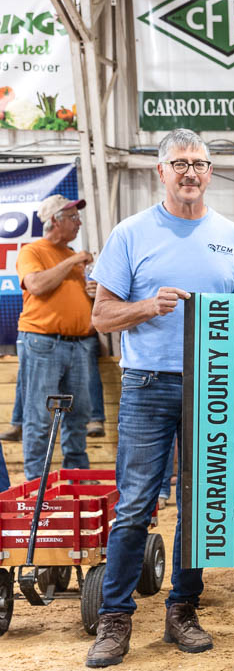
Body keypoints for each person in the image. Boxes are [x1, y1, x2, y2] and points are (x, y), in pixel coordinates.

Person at [85, 128, 234, 668]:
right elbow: (101, 316)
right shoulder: (130, 234)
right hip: (146, 384)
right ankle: (114, 619)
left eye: (200, 163)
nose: (190, 172)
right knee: (136, 504)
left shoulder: (232, 237)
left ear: (211, 172)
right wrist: (147, 306)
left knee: (201, 503)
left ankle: (182, 609)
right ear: (160, 172)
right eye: (180, 163)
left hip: (213, 386)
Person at [15, 194, 96, 481]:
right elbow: (36, 285)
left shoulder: (68, 256)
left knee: (78, 415)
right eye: (73, 217)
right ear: (54, 221)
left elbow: (72, 294)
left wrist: (91, 293)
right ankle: (37, 481)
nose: (78, 222)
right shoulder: (32, 251)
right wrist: (74, 259)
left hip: (77, 345)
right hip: (43, 342)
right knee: (39, 417)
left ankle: (77, 477)